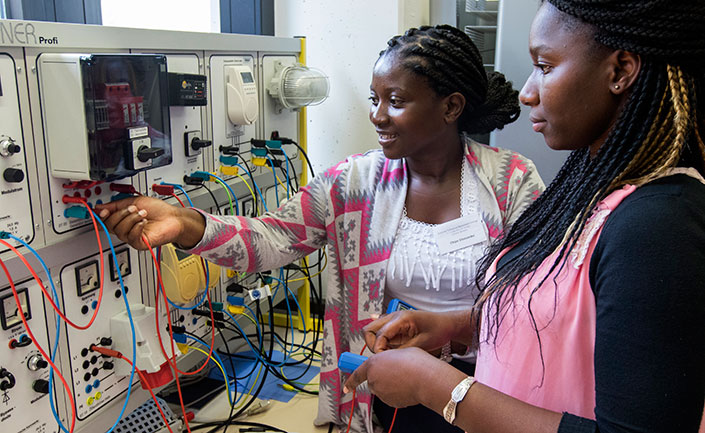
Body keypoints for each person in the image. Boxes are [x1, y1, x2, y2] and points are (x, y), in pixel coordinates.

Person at [95, 25, 544, 433]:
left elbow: (536, 307)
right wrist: (185, 223)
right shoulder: (352, 183)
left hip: (489, 389)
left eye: (397, 101)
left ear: (451, 106)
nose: (378, 116)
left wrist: (449, 327)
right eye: (375, 99)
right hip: (385, 390)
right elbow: (269, 238)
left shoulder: (512, 182)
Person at [343, 1, 705, 433]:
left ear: (620, 70)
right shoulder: (593, 186)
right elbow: (562, 318)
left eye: (545, 66)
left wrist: (435, 385)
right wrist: (455, 326)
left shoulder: (659, 226)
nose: (527, 91)